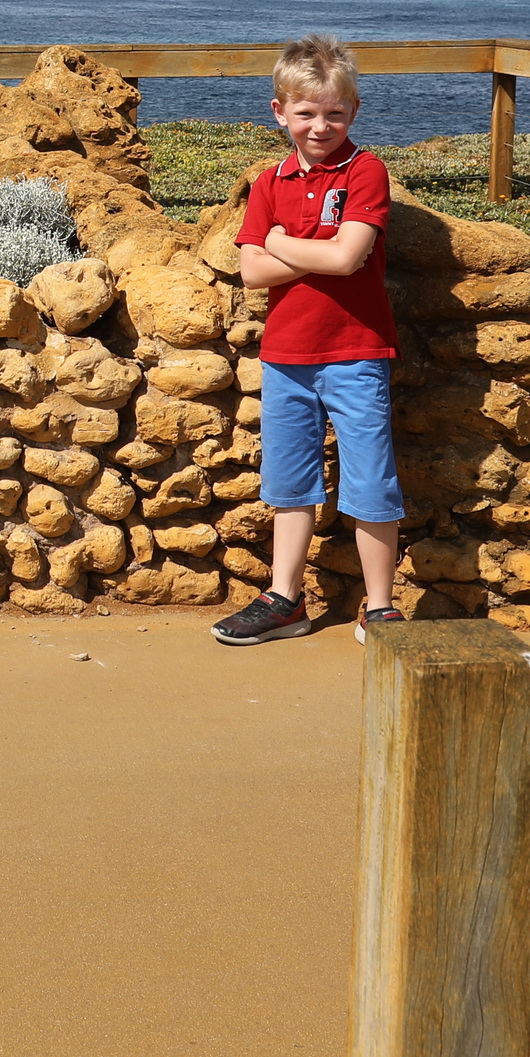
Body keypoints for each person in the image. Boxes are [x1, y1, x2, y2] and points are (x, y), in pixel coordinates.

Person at [212, 34, 408, 646]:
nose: (320, 125)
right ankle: (284, 599)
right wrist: (310, 254)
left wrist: (277, 243)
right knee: (289, 482)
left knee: (371, 480)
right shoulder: (270, 181)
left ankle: (380, 607)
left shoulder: (366, 170)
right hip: (286, 356)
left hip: (356, 352)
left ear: (352, 111)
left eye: (333, 113)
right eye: (306, 113)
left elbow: (349, 258)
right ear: (280, 112)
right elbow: (251, 273)